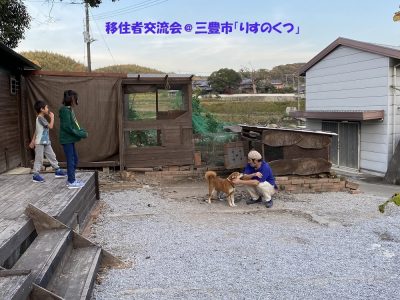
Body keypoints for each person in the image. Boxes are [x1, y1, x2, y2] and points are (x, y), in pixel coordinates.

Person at [29, 100, 67, 183]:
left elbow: (37, 130)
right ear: (42, 109)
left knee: (52, 155)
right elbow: (50, 126)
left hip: (46, 141)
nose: (47, 109)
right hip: (40, 142)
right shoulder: (40, 118)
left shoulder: (41, 118)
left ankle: (57, 171)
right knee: (39, 159)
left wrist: (32, 141)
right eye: (46, 107)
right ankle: (35, 175)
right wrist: (52, 117)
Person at [59, 90, 88, 189]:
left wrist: (80, 130)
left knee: (75, 159)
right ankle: (71, 182)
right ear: (71, 99)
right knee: (71, 160)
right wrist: (79, 134)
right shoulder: (64, 111)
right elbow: (67, 127)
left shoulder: (69, 109)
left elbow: (74, 125)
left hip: (70, 139)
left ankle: (71, 178)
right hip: (66, 140)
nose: (76, 101)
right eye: (75, 99)